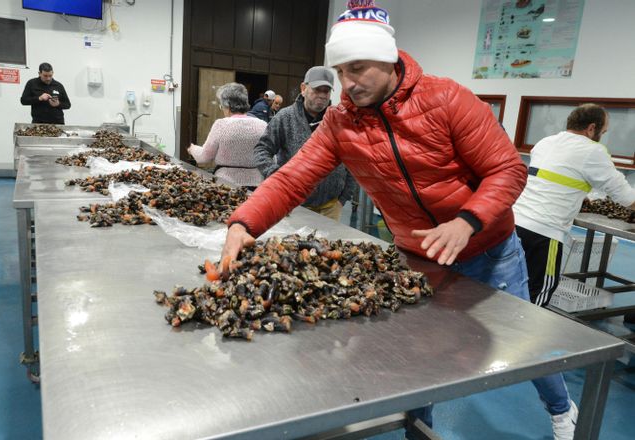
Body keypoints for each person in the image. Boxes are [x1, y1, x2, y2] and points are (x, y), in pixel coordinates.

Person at [222, 1, 578, 438]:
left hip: (489, 250)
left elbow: (507, 170)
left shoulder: (448, 100)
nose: (348, 85)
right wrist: (245, 223)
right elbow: (293, 178)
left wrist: (467, 221)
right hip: (419, 255)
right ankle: (418, 430)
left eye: (359, 69)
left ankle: (561, 410)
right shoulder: (339, 123)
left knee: (526, 345)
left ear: (389, 59)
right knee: (421, 352)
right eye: (341, 73)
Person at [514, 104, 635, 307]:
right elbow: (625, 197)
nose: (602, 137)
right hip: (545, 232)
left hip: (514, 223)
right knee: (540, 291)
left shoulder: (545, 142)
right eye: (602, 132)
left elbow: (555, 179)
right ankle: (523, 335)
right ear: (591, 128)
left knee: (512, 284)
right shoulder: (592, 151)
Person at [253, 66, 357, 221]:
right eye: (317, 90)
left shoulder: (340, 120)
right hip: (294, 206)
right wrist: (276, 176)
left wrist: (343, 198)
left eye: (326, 91)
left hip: (331, 207)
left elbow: (351, 160)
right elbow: (261, 150)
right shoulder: (285, 118)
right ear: (303, 88)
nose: (322, 96)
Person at [188, 83, 266, 189]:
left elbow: (204, 158)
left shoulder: (221, 125)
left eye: (221, 106)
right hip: (256, 185)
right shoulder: (262, 125)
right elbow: (269, 158)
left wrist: (192, 148)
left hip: (225, 185)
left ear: (228, 107)